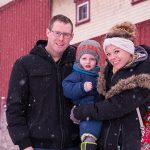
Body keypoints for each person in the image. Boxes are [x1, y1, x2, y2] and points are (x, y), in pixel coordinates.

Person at [70, 21, 150, 150]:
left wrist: (81, 112)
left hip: (133, 143)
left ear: (128, 49)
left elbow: (116, 106)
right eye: (108, 54)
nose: (112, 57)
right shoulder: (108, 72)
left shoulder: (143, 72)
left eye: (116, 51)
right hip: (110, 142)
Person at [6, 14, 80, 150]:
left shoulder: (79, 62)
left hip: (75, 145)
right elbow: (14, 107)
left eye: (66, 34)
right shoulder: (25, 64)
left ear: (72, 36)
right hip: (39, 146)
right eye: (57, 33)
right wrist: (24, 143)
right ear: (47, 32)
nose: (61, 39)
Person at [62, 40, 102, 150]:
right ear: (79, 59)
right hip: (85, 107)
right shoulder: (77, 74)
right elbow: (67, 88)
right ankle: (88, 142)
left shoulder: (99, 74)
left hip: (99, 107)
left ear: (97, 60)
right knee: (89, 125)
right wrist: (82, 87)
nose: (88, 62)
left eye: (92, 59)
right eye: (84, 58)